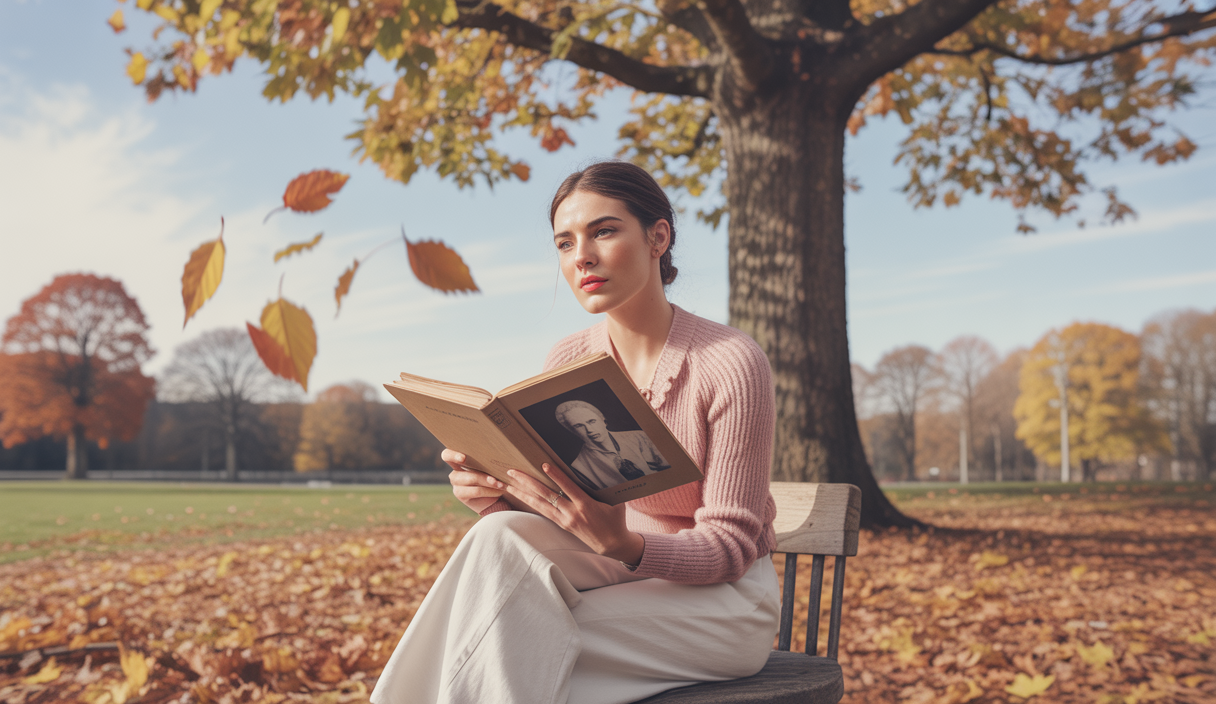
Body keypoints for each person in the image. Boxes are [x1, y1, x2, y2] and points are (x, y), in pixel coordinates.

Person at [370, 161, 780, 704]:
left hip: (723, 601)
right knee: (497, 538)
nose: (580, 255)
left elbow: (731, 549)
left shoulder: (729, 363)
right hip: (617, 571)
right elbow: (568, 503)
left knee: (498, 640)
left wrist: (625, 544)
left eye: (603, 231)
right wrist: (497, 493)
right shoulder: (569, 359)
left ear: (659, 237)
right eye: (564, 243)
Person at [554, 399, 671, 490]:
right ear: (572, 431)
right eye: (578, 426)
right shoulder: (580, 466)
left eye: (591, 421)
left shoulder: (639, 437)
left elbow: (670, 473)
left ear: (603, 421)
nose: (589, 430)